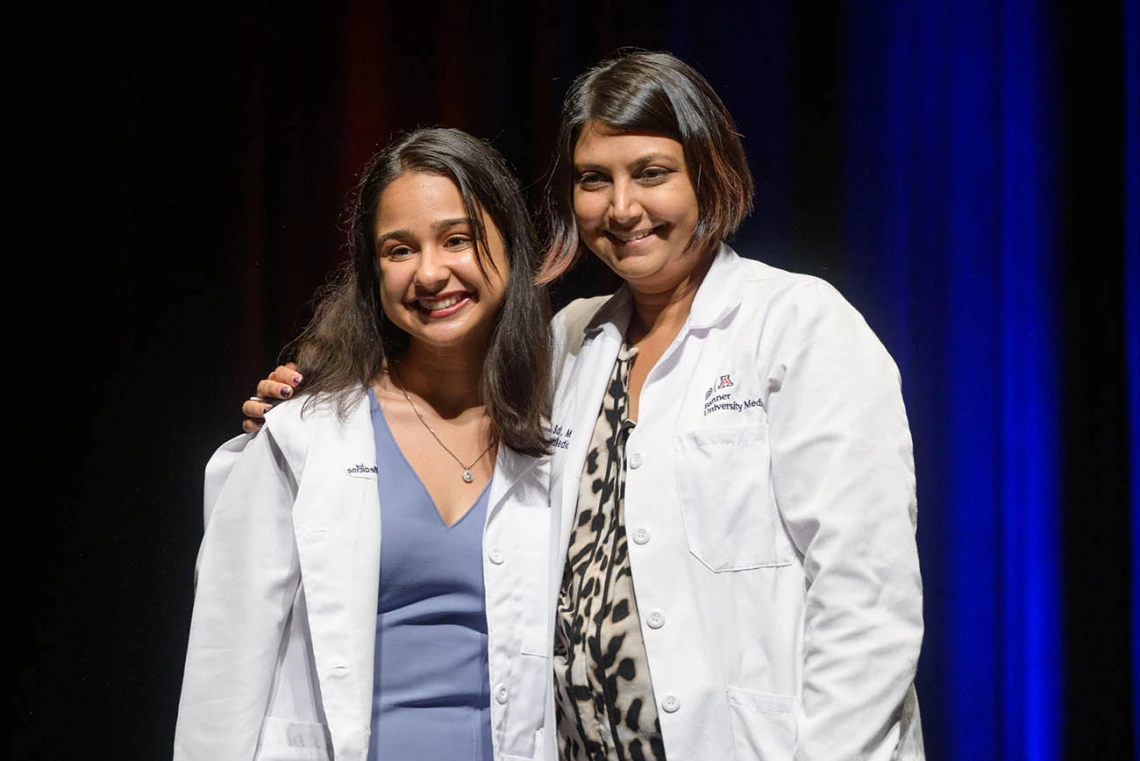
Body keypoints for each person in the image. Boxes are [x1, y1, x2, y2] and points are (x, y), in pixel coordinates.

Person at [245, 51, 925, 761]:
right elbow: (431, 402)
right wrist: (308, 410)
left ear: (710, 172)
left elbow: (867, 599)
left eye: (651, 173)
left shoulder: (796, 324)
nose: (622, 207)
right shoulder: (568, 340)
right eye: (595, 180)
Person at [176, 128, 556, 761]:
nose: (430, 272)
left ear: (510, 247)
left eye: (457, 239)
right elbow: (224, 668)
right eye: (399, 249)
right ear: (372, 271)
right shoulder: (304, 434)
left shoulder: (559, 426)